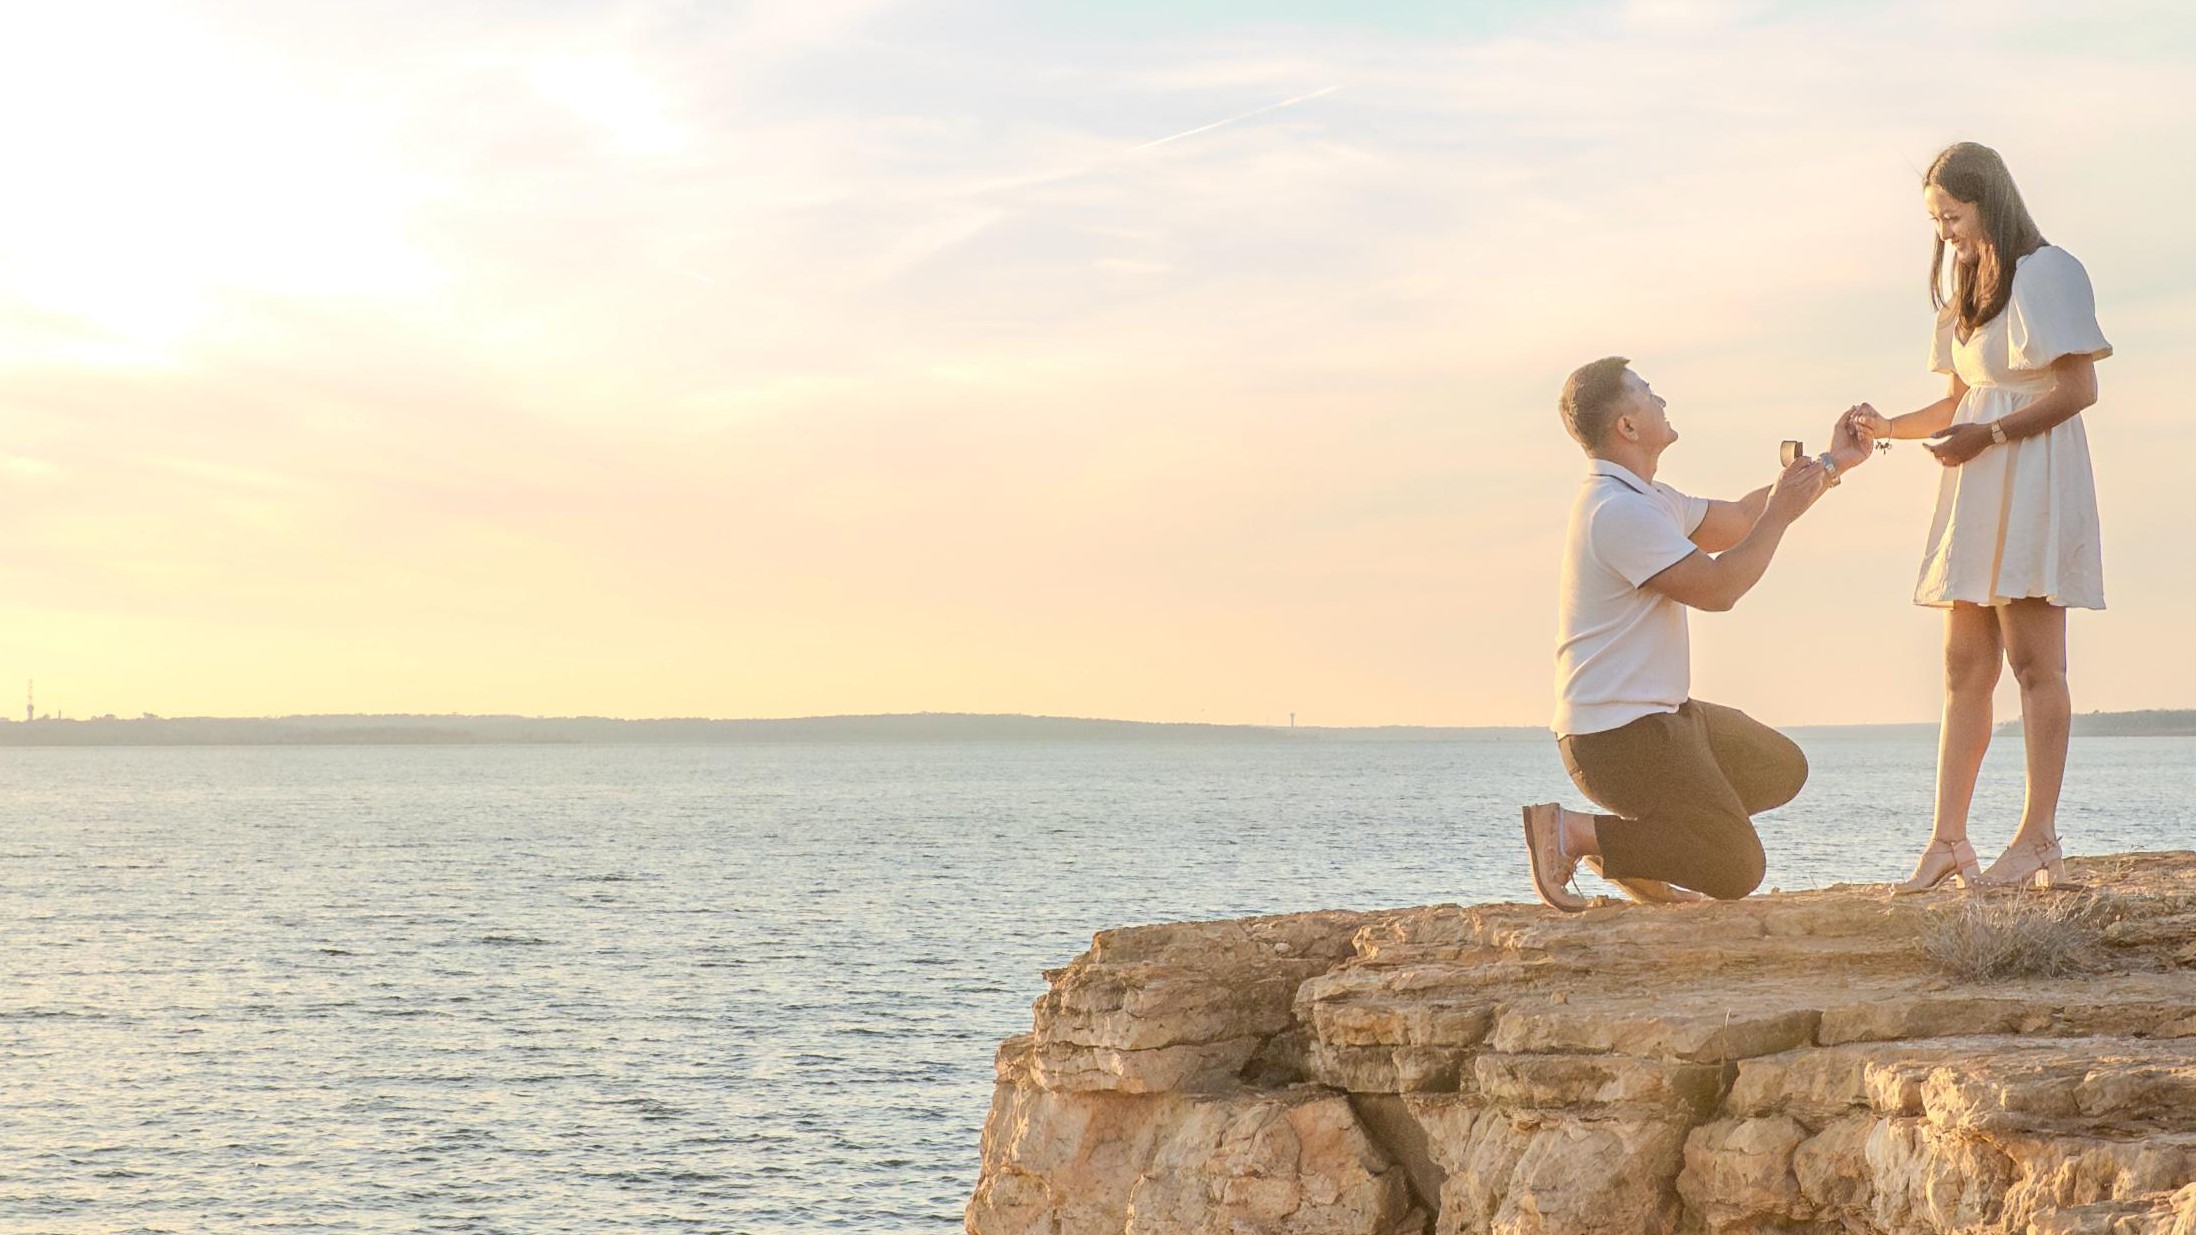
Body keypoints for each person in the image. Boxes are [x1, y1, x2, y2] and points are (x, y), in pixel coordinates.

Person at [1843, 142, 2112, 893]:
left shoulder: (2048, 272)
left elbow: (2078, 390)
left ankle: (2039, 839)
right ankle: (1948, 841)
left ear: (1988, 202)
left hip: (2032, 479)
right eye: (1937, 220)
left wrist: (1987, 436)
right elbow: (1959, 401)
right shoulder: (1967, 287)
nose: (1945, 233)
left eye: (1952, 217)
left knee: (2034, 664)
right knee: (1964, 668)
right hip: (1979, 482)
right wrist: (1886, 427)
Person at [1521, 357, 1874, 911]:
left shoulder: (1648, 499)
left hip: (1661, 718)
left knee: (1780, 767)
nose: (1661, 399)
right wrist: (1780, 514)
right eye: (1646, 392)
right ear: (1627, 427)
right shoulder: (1615, 512)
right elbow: (1718, 589)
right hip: (1616, 740)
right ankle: (1573, 832)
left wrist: (1833, 463)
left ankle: (1644, 854)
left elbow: (1745, 518)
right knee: (1736, 866)